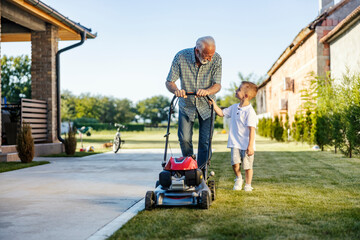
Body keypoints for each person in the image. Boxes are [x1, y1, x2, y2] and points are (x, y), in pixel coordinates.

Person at [165, 36, 222, 172]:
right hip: (187, 104)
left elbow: (217, 85)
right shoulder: (181, 57)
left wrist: (207, 91)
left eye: (211, 56)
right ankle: (189, 167)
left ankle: (202, 171)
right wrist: (176, 91)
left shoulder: (217, 59)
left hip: (207, 105)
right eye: (207, 56)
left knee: (205, 141)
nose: (210, 59)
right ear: (197, 51)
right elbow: (169, 81)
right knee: (184, 139)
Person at [210, 81, 258, 191]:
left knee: (247, 166)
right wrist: (214, 105)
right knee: (235, 164)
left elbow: (252, 130)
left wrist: (250, 146)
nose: (236, 90)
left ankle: (248, 185)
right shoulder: (234, 107)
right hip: (235, 143)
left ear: (245, 96)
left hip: (246, 145)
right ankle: (238, 178)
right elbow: (222, 113)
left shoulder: (250, 112)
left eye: (239, 89)